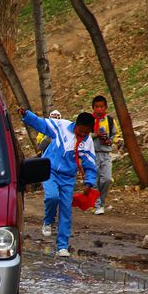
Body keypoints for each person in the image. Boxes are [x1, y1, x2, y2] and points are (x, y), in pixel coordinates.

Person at [19, 107, 97, 257]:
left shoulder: (87, 142)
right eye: (81, 131)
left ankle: (62, 246)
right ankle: (48, 220)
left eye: (86, 132)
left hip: (68, 178)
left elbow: (90, 164)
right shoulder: (61, 126)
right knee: (52, 197)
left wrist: (89, 182)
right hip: (50, 170)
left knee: (66, 211)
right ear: (76, 125)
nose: (82, 134)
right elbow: (41, 124)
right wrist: (27, 115)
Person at [90, 96, 121, 215]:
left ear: (105, 108)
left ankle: (101, 202)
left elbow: (116, 135)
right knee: (94, 181)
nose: (99, 109)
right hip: (92, 154)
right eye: (97, 107)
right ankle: (97, 205)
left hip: (106, 153)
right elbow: (84, 135)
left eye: (101, 107)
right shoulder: (89, 120)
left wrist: (110, 141)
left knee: (106, 179)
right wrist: (95, 135)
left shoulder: (109, 121)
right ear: (93, 108)